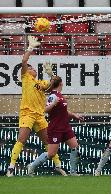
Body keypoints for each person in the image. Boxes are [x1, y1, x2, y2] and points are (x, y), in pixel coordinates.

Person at [6, 36, 65, 177]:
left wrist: (51, 74)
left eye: (33, 68)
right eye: (30, 68)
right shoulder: (26, 78)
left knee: (48, 141)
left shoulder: (42, 83)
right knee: (22, 139)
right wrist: (30, 48)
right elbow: (24, 61)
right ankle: (11, 167)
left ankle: (58, 166)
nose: (32, 68)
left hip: (39, 115)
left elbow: (56, 83)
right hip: (27, 113)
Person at [27, 76, 83, 176]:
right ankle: (31, 166)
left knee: (75, 147)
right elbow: (45, 110)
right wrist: (53, 103)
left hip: (65, 127)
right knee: (51, 153)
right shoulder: (53, 96)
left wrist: (74, 115)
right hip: (55, 128)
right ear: (61, 84)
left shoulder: (60, 95)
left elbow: (64, 111)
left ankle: (73, 172)